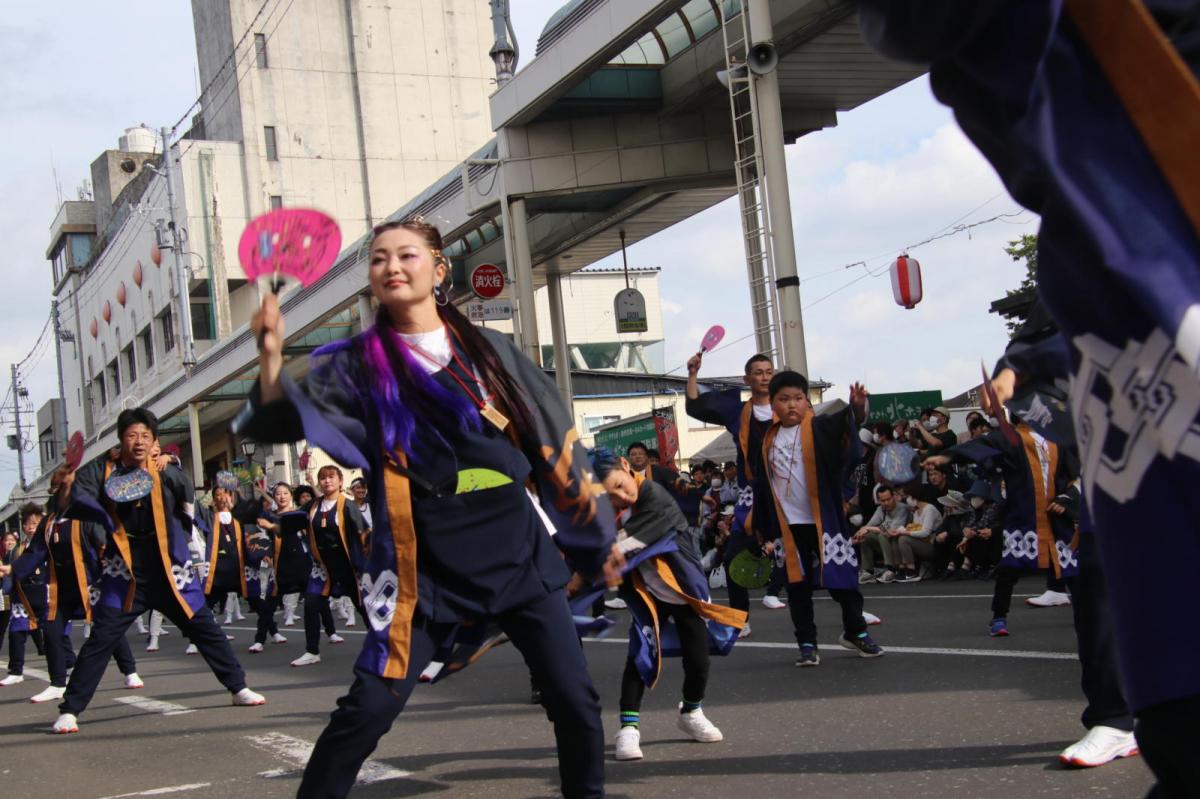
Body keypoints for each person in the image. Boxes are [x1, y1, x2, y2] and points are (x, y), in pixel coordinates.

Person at [237, 217, 618, 799]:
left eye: (407, 255)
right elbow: (276, 419)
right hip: (423, 563)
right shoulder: (356, 365)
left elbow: (550, 438)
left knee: (573, 695)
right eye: (380, 259)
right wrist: (269, 352)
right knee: (369, 707)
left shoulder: (489, 351)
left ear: (438, 270)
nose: (392, 266)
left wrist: (596, 532)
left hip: (515, 550)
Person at [47, 408, 266, 734]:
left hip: (169, 566)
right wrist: (65, 486)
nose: (139, 442)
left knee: (204, 628)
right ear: (120, 440)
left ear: (154, 441)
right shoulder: (101, 470)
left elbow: (186, 494)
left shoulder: (163, 468)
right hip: (126, 573)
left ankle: (238, 687)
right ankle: (71, 710)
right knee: (100, 641)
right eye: (132, 435)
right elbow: (72, 502)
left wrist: (166, 465)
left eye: (145, 436)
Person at [589, 447, 745, 762]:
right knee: (639, 656)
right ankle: (628, 729)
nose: (620, 497)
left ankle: (691, 711)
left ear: (625, 465)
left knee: (699, 660)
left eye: (620, 486)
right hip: (649, 594)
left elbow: (620, 548)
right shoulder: (609, 508)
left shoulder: (654, 497)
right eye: (610, 496)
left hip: (684, 591)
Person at [752, 371, 883, 666]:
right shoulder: (767, 440)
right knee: (797, 587)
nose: (792, 405)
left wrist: (858, 407)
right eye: (784, 399)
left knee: (843, 580)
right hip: (789, 526)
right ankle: (807, 643)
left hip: (824, 520)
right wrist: (761, 529)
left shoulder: (821, 427)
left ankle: (855, 633)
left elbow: (849, 428)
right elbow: (760, 484)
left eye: (798, 398)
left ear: (807, 401)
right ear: (772, 404)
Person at [927, 419, 1077, 635]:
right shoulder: (1012, 439)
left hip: (1056, 519)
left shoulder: (1058, 440)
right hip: (1024, 519)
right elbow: (979, 446)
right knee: (1009, 570)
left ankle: (1087, 615)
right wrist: (946, 456)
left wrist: (1065, 499)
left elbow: (1075, 477)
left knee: (1075, 572)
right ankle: (999, 617)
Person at [1, 510, 144, 702]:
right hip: (60, 587)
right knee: (52, 631)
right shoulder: (50, 522)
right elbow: (36, 551)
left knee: (106, 627)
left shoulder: (88, 516)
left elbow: (104, 544)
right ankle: (57, 683)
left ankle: (129, 670)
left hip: (89, 583)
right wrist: (13, 568)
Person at [685, 352, 776, 638]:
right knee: (733, 557)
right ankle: (740, 619)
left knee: (819, 554)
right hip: (753, 496)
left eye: (769, 372)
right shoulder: (738, 411)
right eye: (758, 372)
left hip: (787, 491)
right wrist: (692, 374)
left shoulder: (789, 407)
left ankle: (853, 615)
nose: (764, 377)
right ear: (746, 379)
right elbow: (697, 406)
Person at [290, 465, 366, 667]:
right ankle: (312, 651)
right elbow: (293, 522)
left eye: (331, 477)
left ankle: (382, 644)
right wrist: (272, 524)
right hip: (322, 567)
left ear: (340, 481)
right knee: (311, 603)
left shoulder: (348, 505)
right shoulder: (313, 506)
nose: (327, 481)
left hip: (347, 566)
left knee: (364, 606)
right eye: (322, 478)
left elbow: (363, 534)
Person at [256, 483, 313, 632]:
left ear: (291, 496)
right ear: (274, 497)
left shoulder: (299, 513)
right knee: (270, 603)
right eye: (278, 494)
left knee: (315, 600)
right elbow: (262, 538)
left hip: (302, 562)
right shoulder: (269, 516)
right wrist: (266, 553)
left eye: (285, 493)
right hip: (280, 564)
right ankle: (260, 639)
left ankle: (331, 632)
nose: (282, 497)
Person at [852, 485, 910, 584]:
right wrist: (857, 535)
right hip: (885, 544)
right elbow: (867, 526)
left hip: (899, 544)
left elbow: (891, 531)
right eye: (883, 501)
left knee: (883, 534)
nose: (886, 503)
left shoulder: (902, 508)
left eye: (888, 499)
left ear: (894, 497)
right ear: (879, 500)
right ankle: (868, 571)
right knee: (866, 536)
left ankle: (890, 569)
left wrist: (867, 528)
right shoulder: (880, 510)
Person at [894, 485, 944, 583]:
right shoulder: (916, 511)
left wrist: (906, 532)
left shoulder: (929, 509)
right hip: (922, 542)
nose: (906, 499)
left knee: (904, 539)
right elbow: (916, 529)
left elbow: (925, 532)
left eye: (908, 496)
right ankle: (901, 568)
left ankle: (911, 571)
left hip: (933, 545)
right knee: (898, 537)